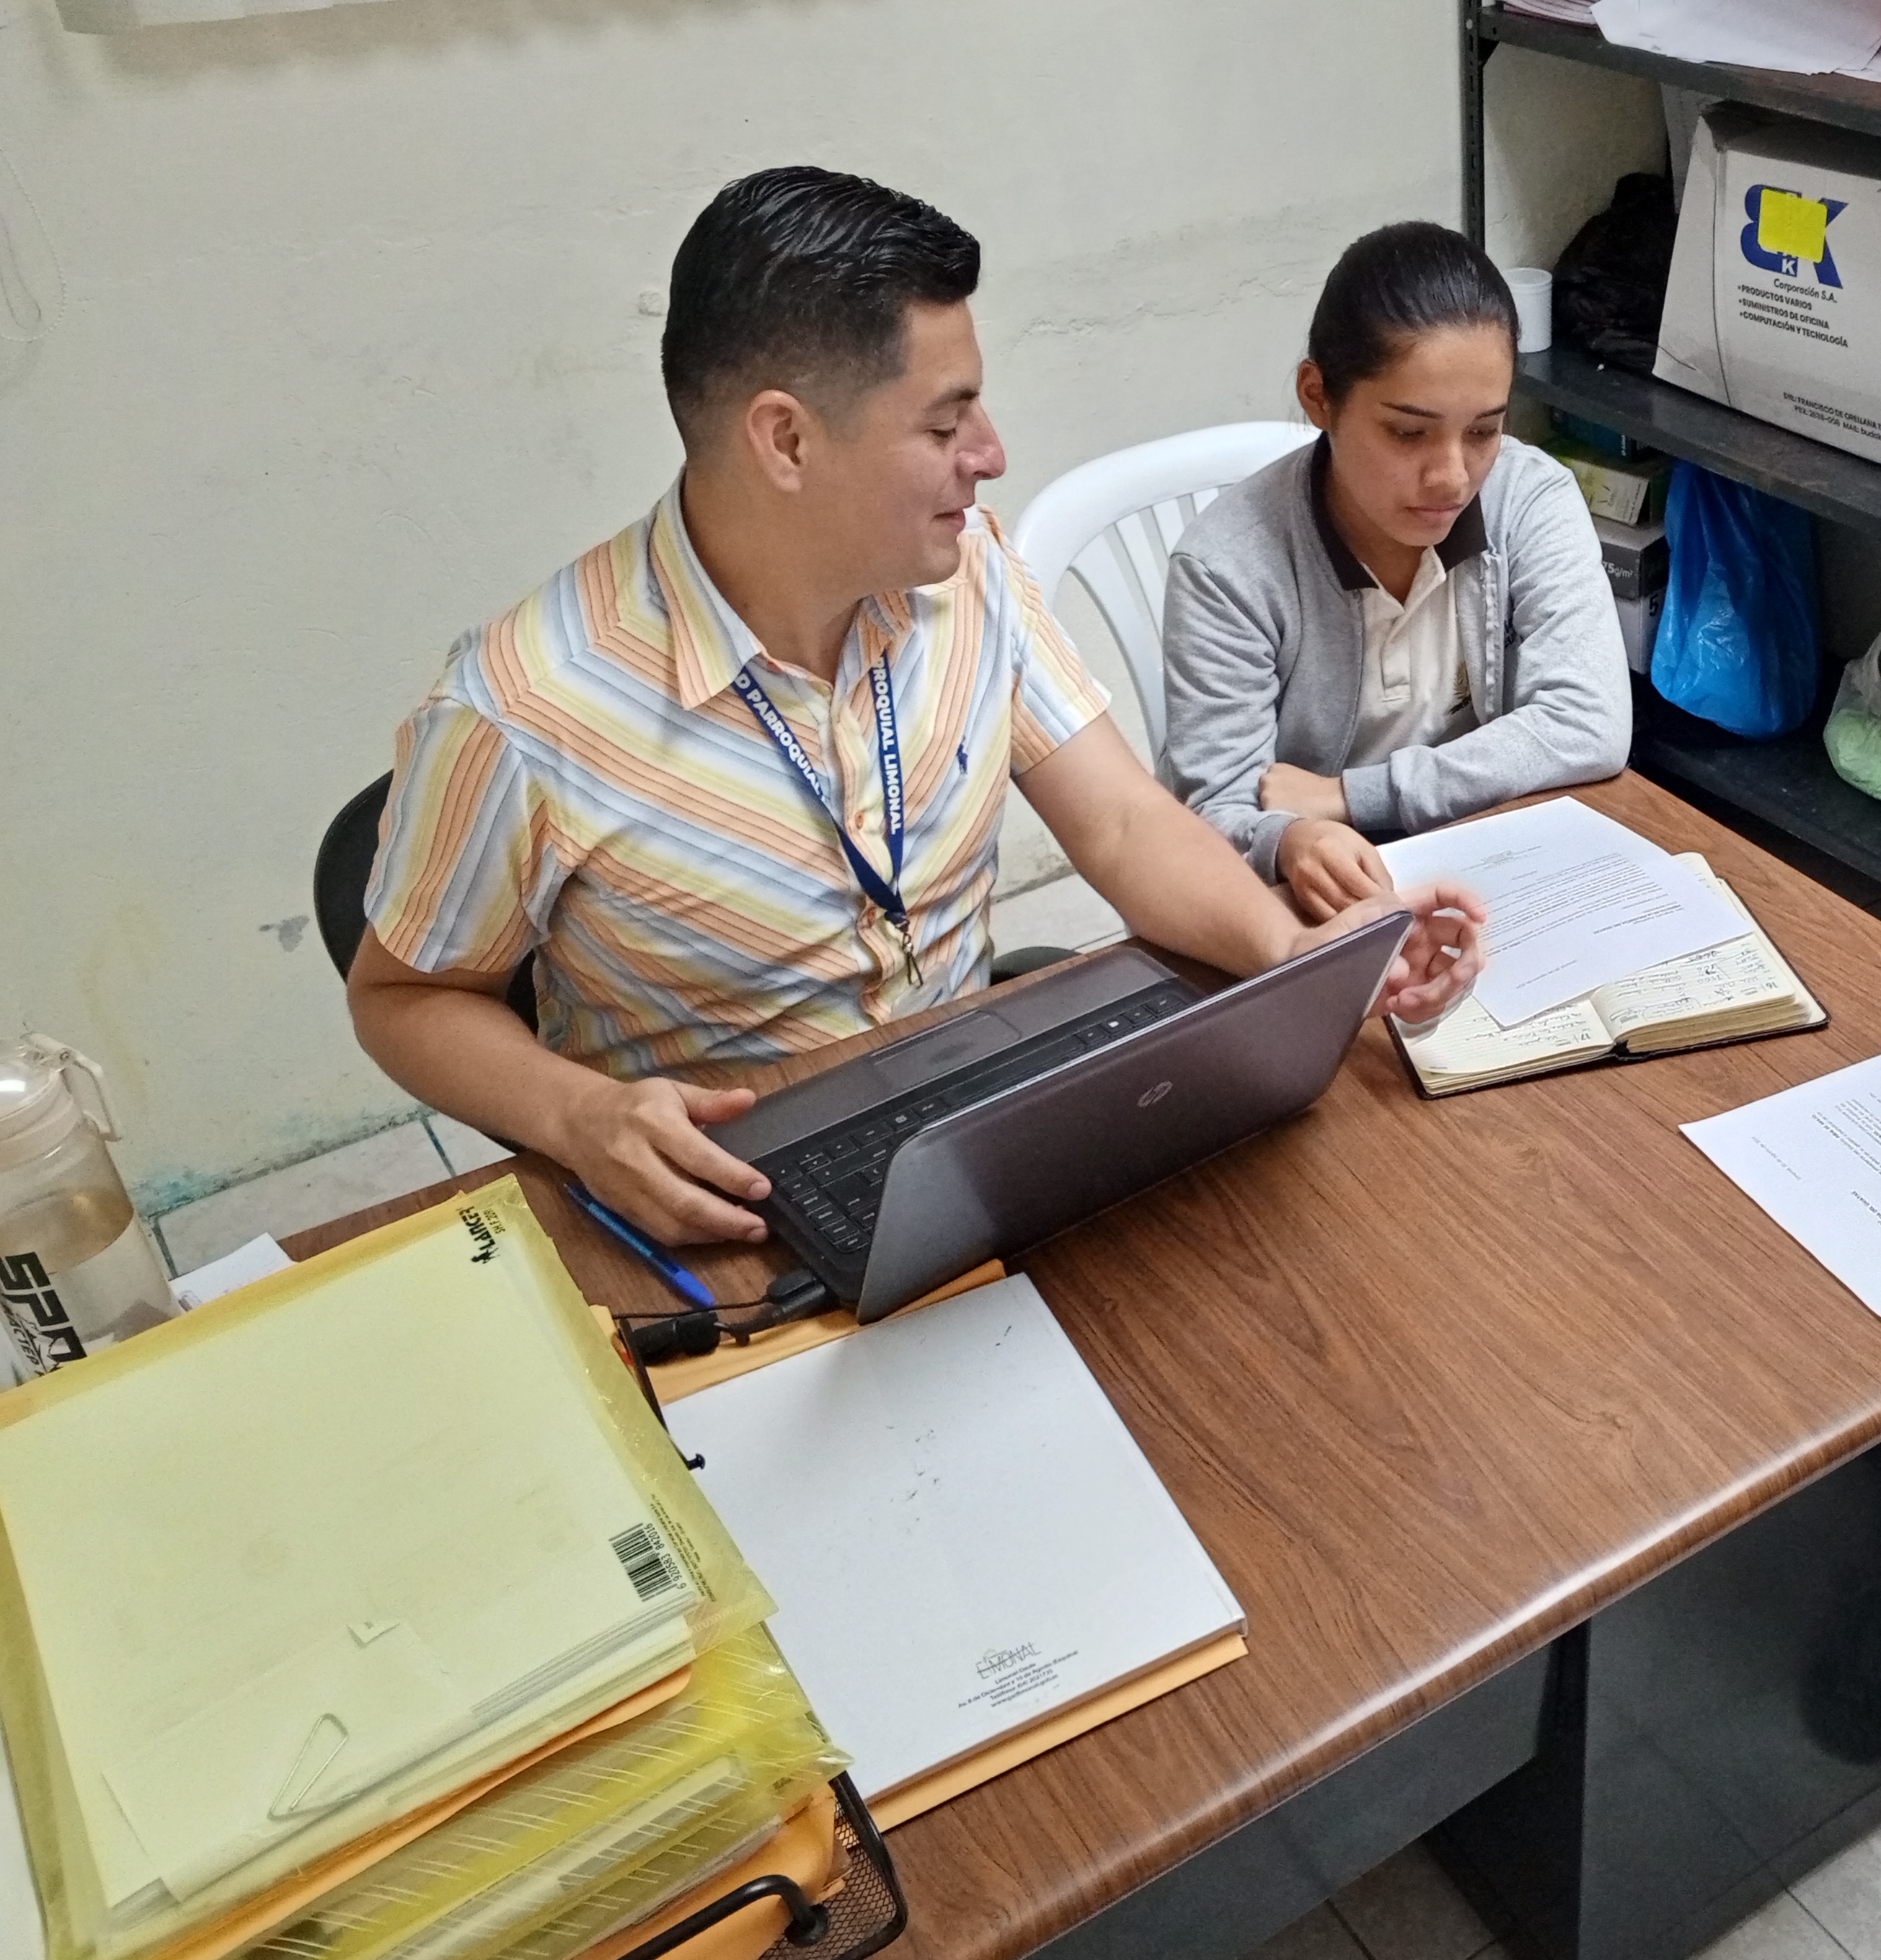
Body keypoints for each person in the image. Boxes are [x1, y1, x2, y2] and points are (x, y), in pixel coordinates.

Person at [350, 168, 1484, 1247]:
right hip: (728, 1194)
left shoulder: (968, 576)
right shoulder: (523, 709)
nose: (991, 456)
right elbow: (402, 1000)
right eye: (944, 427)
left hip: (975, 1127)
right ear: (786, 440)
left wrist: (1294, 955)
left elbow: (1123, 822)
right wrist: (575, 1116)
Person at [1158, 221, 1631, 919]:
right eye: (1408, 432)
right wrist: (1287, 842)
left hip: (1480, 863)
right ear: (1318, 396)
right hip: (1311, 908)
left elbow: (1589, 724)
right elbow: (1220, 815)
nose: (1452, 476)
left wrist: (1350, 796)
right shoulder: (1227, 566)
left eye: (1484, 431)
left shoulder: (1529, 498)